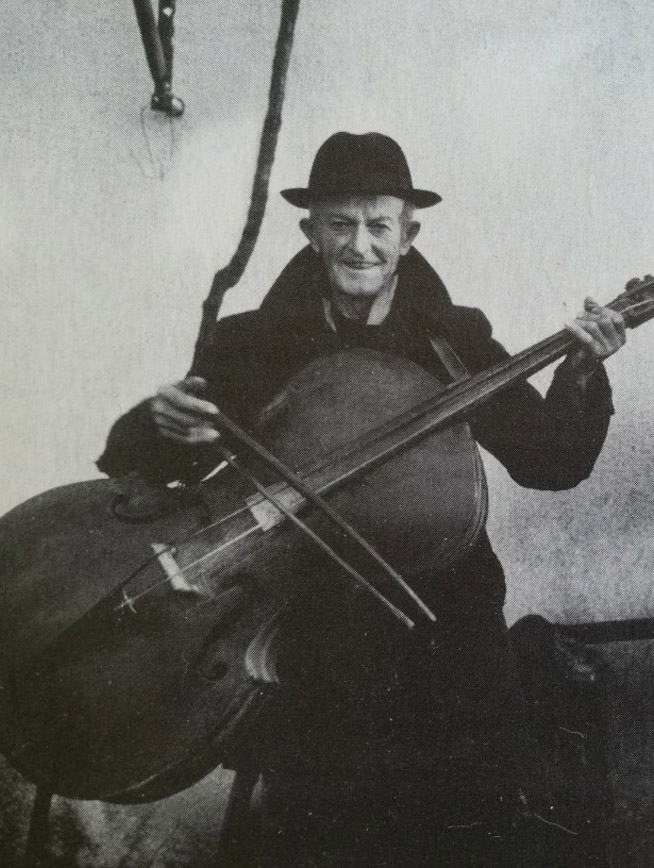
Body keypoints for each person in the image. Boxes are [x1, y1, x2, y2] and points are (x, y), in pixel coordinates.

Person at [97, 131, 626, 867]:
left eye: (380, 225)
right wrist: (162, 423)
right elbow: (150, 470)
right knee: (324, 823)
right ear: (310, 231)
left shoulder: (455, 341)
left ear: (409, 235)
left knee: (475, 815)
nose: (360, 245)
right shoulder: (253, 343)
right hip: (304, 622)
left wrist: (579, 375)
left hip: (443, 616)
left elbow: (550, 463)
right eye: (340, 224)